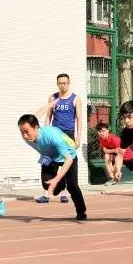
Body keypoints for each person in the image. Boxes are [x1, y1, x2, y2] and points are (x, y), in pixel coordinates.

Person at [18, 114, 87, 220]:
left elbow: (68, 160)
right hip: (49, 157)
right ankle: (61, 183)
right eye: (22, 132)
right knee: (47, 185)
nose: (25, 136)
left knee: (72, 186)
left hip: (68, 156)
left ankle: (81, 211)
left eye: (27, 132)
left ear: (36, 127)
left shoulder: (53, 137)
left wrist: (56, 179)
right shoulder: (28, 138)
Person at [44, 73, 83, 204]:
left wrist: (78, 137)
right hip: (55, 134)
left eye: (65, 83)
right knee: (50, 162)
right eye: (60, 83)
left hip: (68, 135)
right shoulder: (52, 98)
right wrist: (45, 134)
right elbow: (48, 117)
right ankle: (48, 191)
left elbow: (79, 119)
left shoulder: (75, 99)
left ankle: (64, 192)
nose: (63, 85)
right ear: (57, 84)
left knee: (67, 163)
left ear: (69, 83)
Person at [95, 121, 133, 186]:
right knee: (107, 156)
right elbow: (105, 150)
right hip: (116, 156)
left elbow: (119, 153)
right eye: (99, 131)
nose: (101, 133)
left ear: (108, 130)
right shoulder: (100, 139)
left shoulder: (115, 139)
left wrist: (115, 167)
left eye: (103, 131)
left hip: (128, 157)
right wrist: (114, 150)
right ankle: (112, 178)